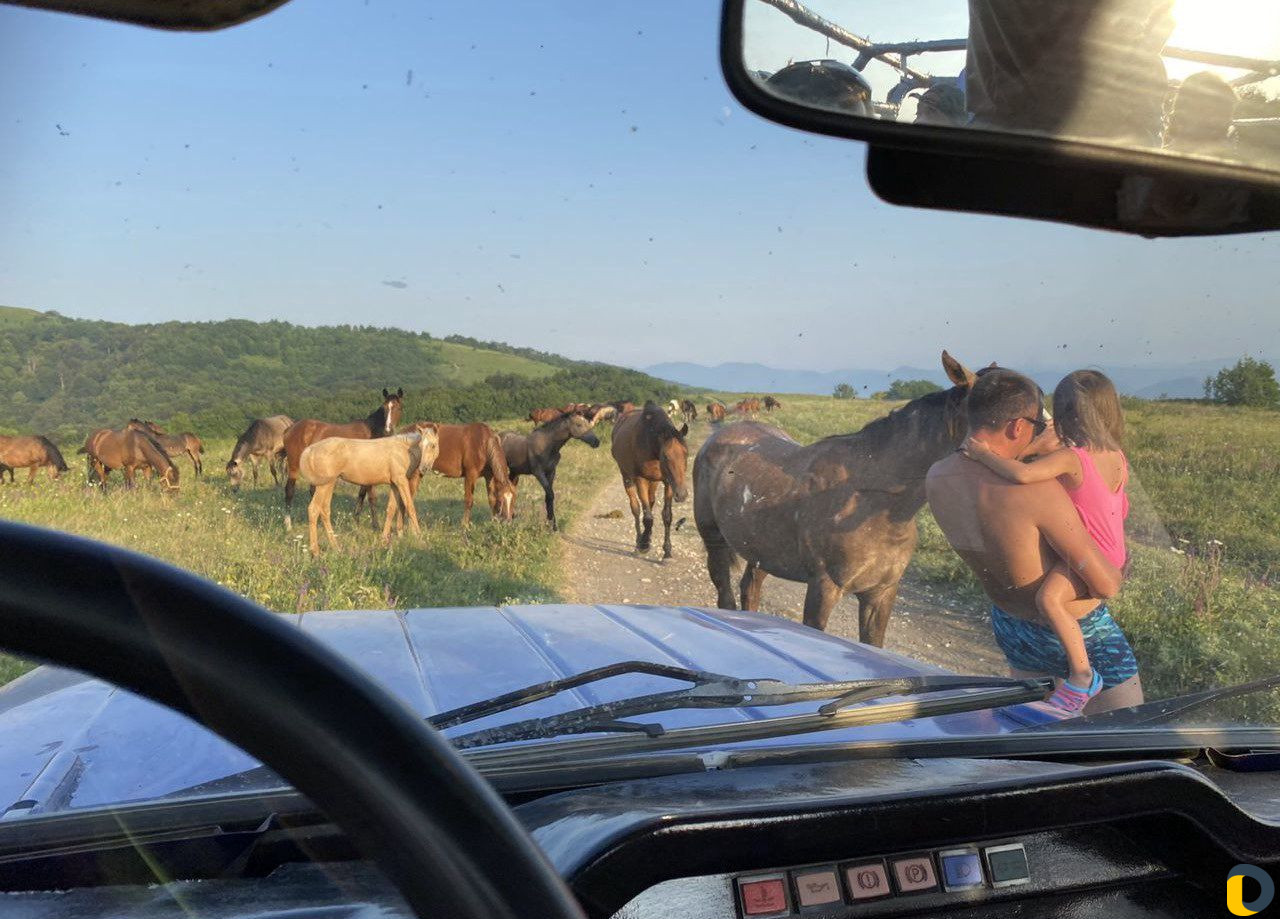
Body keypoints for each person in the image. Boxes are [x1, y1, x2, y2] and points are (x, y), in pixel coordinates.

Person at [926, 369, 1143, 715]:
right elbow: (1105, 584)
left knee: (1039, 742)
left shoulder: (937, 476)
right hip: (1082, 632)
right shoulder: (1036, 492)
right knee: (1124, 744)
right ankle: (1084, 679)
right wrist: (1119, 572)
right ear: (1016, 427)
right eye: (1037, 425)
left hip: (1011, 625)